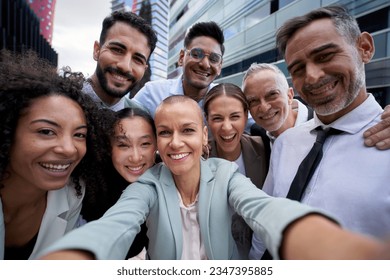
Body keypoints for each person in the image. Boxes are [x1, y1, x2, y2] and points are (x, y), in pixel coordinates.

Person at [38, 96, 389, 260]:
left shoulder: (224, 173)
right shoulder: (149, 183)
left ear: (204, 137)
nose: (176, 142)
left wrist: (331, 248)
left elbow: (263, 209)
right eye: (164, 133)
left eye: (187, 130)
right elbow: (118, 223)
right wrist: (74, 257)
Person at [250, 5, 390, 259]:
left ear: (365, 48)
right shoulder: (286, 143)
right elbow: (265, 218)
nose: (312, 77)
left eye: (325, 56)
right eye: (298, 69)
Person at [0, 50, 108, 259]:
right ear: (7, 132)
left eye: (79, 134)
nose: (68, 149)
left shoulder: (72, 195)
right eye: (46, 132)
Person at [243, 62, 390, 170]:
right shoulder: (258, 133)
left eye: (272, 94)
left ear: (289, 95)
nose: (264, 107)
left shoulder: (331, 123)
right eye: (253, 100)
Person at [129, 21, 255, 132]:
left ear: (220, 66)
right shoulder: (153, 93)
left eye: (214, 58)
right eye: (196, 54)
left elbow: (256, 126)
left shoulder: (225, 98)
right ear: (181, 57)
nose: (205, 64)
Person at [80, 107, 157, 259]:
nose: (135, 157)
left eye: (145, 144)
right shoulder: (90, 185)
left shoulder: (165, 178)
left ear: (156, 145)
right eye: (123, 145)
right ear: (109, 147)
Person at [203, 83, 267, 258]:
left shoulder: (264, 148)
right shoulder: (198, 158)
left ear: (246, 117)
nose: (227, 127)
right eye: (217, 118)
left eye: (235, 116)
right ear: (206, 120)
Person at [83, 10, 157, 111]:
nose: (125, 66)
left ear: (144, 69)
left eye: (138, 59)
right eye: (117, 50)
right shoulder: (58, 100)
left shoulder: (143, 119)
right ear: (97, 50)